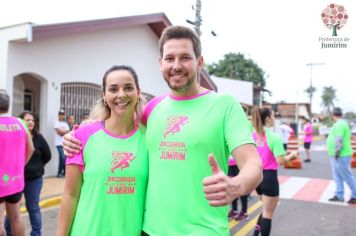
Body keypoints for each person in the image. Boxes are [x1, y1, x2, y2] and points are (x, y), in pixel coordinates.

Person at [64, 25, 262, 235]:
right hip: (150, 230)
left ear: (200, 62)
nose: (176, 65)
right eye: (169, 58)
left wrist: (236, 185)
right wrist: (77, 134)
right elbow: (114, 124)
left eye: (185, 57)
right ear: (161, 64)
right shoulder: (152, 108)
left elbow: (253, 164)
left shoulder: (225, 105)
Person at [56, 65, 148, 236]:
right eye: (113, 89)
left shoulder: (149, 138)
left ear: (138, 92)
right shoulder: (82, 136)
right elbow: (70, 194)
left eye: (128, 87)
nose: (121, 94)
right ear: (105, 96)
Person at [251, 106, 297, 236]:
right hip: (269, 177)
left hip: (257, 177)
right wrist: (292, 155)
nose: (274, 118)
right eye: (273, 116)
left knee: (265, 208)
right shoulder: (274, 137)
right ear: (267, 119)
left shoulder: (252, 135)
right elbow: (281, 160)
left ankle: (255, 233)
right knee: (268, 213)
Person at [4, 111, 51, 236]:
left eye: (32, 120)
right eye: (27, 120)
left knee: (33, 207)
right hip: (15, 179)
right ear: (20, 122)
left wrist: (37, 166)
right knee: (13, 210)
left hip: (34, 179)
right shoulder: (15, 135)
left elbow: (47, 155)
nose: (30, 122)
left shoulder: (39, 137)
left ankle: (36, 233)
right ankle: (9, 232)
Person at [0, 89, 34, 236]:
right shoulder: (20, 123)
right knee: (16, 218)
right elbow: (31, 149)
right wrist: (20, 166)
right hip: (16, 180)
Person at [327, 107, 356, 204]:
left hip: (341, 155)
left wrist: (336, 153)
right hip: (338, 154)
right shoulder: (340, 124)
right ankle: (339, 195)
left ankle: (355, 195)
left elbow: (339, 140)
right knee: (337, 176)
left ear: (332, 115)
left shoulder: (339, 124)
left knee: (347, 176)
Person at [227, 157, 249, 221]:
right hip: (229, 163)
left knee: (241, 186)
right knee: (232, 187)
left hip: (238, 162)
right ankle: (234, 210)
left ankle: (244, 212)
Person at [54, 109, 70, 177]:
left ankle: (60, 173)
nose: (61, 116)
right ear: (58, 115)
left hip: (65, 143)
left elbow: (67, 132)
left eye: (63, 114)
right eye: (60, 114)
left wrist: (62, 132)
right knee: (63, 158)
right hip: (58, 143)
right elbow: (59, 132)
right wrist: (64, 132)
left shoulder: (65, 124)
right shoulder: (56, 122)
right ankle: (63, 172)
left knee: (62, 158)